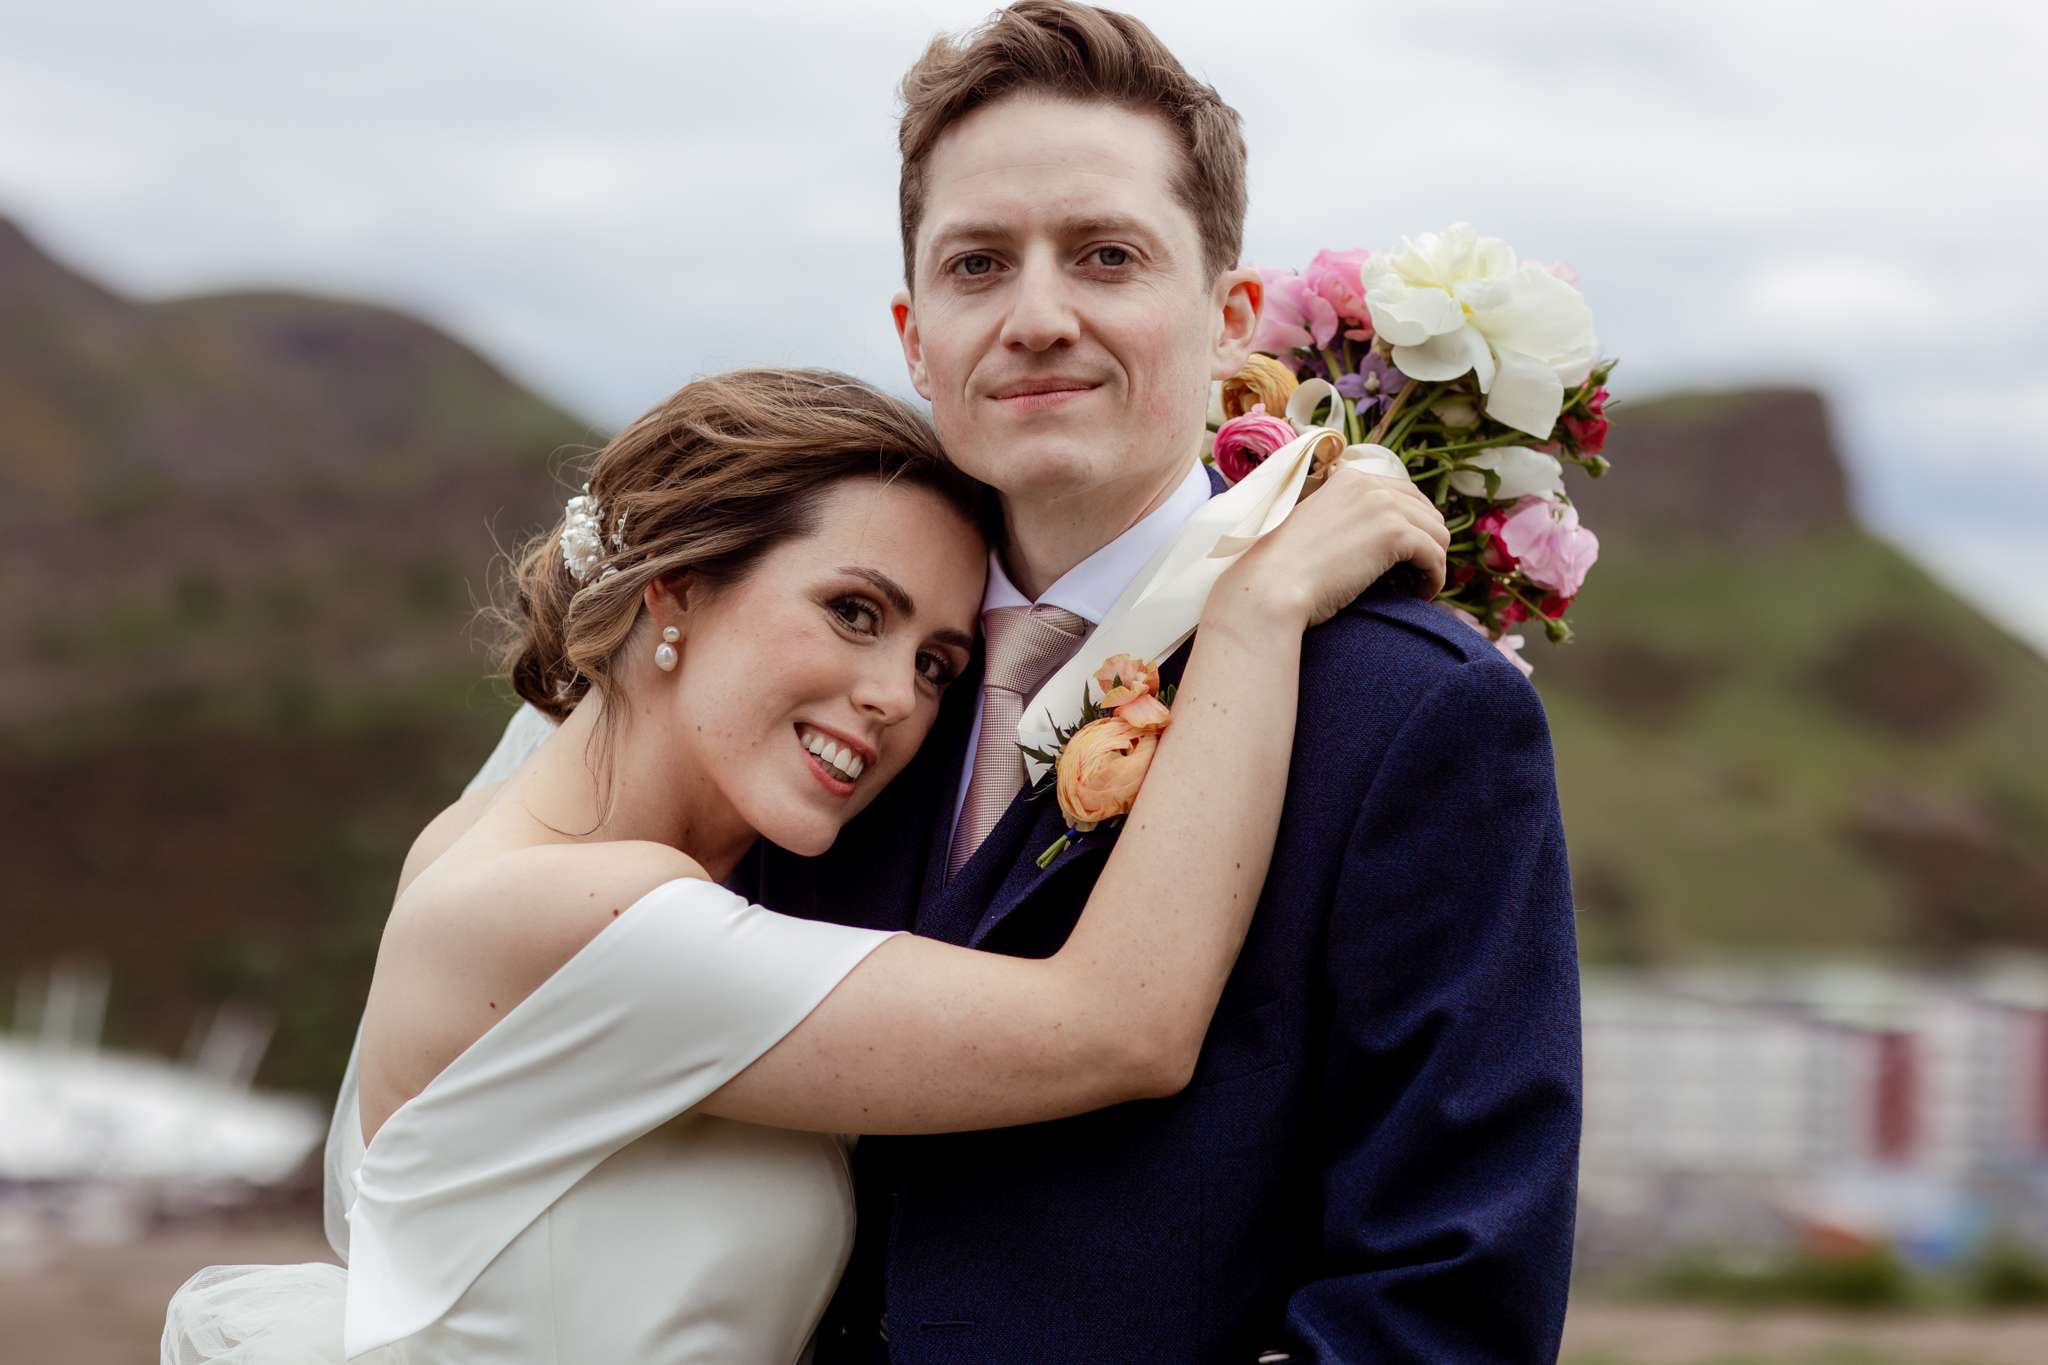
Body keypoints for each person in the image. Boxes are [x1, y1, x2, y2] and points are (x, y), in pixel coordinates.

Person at [161, 365, 1449, 1363]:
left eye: (939, 663)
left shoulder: (505, 832)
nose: (896, 697)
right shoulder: (581, 911)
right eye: (853, 612)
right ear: (674, 589)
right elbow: (1121, 1024)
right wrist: (1254, 612)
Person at [738, 6, 1585, 1363]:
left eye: (1107, 255)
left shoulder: (1413, 712)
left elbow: (1443, 1299)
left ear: (1228, 314)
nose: (1036, 316)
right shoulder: (816, 691)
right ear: (914, 334)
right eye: (976, 265)